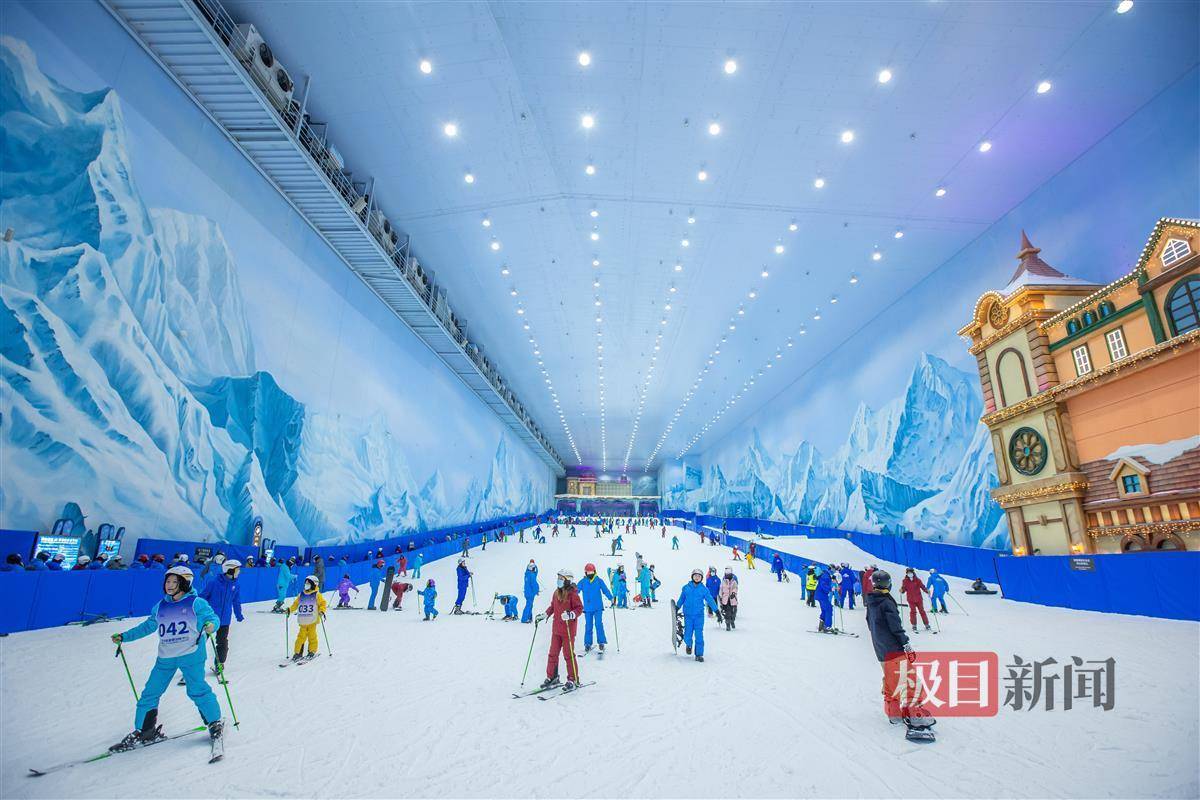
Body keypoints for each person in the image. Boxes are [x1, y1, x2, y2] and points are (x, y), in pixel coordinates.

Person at [108, 566, 223, 752]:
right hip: (166, 657)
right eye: (167, 581)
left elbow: (212, 618)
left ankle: (214, 723)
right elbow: (148, 626)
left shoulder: (196, 603)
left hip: (191, 654)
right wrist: (125, 636)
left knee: (197, 690)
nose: (169, 585)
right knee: (150, 693)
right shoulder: (160, 606)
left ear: (185, 583)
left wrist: (211, 625)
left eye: (174, 582)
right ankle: (144, 731)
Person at [864, 569, 915, 722]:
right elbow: (895, 627)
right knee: (909, 679)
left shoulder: (871, 601)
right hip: (893, 648)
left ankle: (893, 711)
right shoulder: (886, 602)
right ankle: (914, 713)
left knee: (891, 680)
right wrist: (906, 643)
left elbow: (869, 624)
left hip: (880, 648)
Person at [535, 568, 584, 690]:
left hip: (568, 630)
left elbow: (579, 608)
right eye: (558, 578)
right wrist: (545, 614)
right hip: (556, 630)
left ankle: (573, 679)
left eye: (561, 578)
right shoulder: (556, 593)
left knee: (568, 655)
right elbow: (553, 606)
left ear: (568, 580)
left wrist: (571, 614)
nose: (559, 580)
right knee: (553, 654)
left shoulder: (573, 594)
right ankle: (552, 677)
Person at [199, 559, 244, 676]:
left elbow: (236, 601)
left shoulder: (236, 585)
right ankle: (192, 666)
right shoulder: (214, 583)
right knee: (200, 642)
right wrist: (200, 612)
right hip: (210, 619)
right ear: (230, 570)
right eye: (237, 570)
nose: (239, 572)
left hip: (224, 620)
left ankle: (219, 663)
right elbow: (202, 598)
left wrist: (238, 614)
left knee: (222, 643)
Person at [677, 568, 721, 662]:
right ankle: (689, 645)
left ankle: (699, 654)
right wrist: (677, 607)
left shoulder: (704, 589)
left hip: (699, 616)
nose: (697, 578)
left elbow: (710, 600)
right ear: (692, 577)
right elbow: (681, 599)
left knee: (699, 635)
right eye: (695, 576)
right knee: (688, 634)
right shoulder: (686, 588)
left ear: (701, 578)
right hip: (688, 616)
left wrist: (717, 611)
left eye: (699, 576)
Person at [287, 575, 327, 662]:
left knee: (312, 637)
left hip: (312, 620)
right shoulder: (301, 595)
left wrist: (322, 611)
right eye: (305, 583)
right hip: (303, 621)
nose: (306, 585)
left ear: (313, 584)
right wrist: (290, 609)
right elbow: (295, 604)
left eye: (308, 583)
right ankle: (297, 653)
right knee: (300, 637)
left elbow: (323, 604)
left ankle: (311, 651)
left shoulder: (317, 594)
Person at [576, 563, 613, 653]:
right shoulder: (583, 582)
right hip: (588, 609)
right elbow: (576, 591)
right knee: (588, 625)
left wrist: (611, 598)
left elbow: (605, 590)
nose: (590, 574)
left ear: (594, 571)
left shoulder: (599, 580)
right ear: (585, 573)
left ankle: (601, 642)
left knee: (598, 624)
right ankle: (587, 643)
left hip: (598, 608)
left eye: (591, 572)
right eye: (588, 572)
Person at [718, 566, 738, 631]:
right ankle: (728, 624)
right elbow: (721, 589)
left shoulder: (734, 581)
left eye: (729, 573)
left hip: (733, 599)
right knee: (727, 613)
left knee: (733, 612)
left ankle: (732, 621)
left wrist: (733, 593)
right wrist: (720, 597)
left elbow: (735, 588)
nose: (728, 574)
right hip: (725, 600)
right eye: (727, 573)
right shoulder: (723, 582)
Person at [815, 566, 834, 632]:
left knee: (824, 610)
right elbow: (824, 585)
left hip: (820, 595)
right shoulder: (825, 576)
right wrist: (830, 589)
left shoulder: (824, 575)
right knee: (828, 609)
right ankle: (827, 626)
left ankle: (822, 625)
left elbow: (824, 584)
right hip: (822, 595)